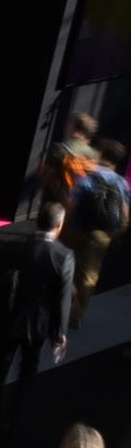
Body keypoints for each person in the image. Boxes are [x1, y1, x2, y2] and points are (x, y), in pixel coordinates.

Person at [0, 201, 75, 429]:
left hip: (8, 318)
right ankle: (15, 420)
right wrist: (59, 332)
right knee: (28, 372)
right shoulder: (63, 256)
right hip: (38, 325)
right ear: (59, 225)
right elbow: (63, 298)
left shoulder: (11, 248)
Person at [62, 136, 129, 325]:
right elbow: (125, 217)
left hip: (76, 229)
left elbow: (71, 206)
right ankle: (75, 316)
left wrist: (64, 227)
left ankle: (60, 305)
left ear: (101, 155)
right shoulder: (121, 183)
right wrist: (113, 235)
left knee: (66, 267)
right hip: (101, 235)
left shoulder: (87, 177)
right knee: (89, 276)